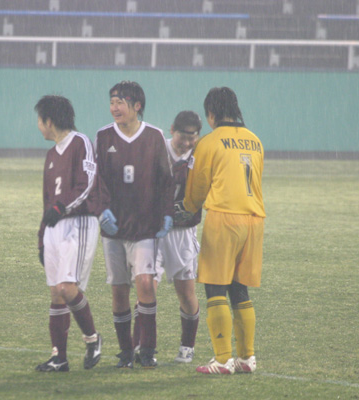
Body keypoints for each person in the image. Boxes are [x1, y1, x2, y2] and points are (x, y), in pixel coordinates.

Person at [181, 87, 265, 374]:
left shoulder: (209, 142)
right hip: (254, 219)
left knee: (215, 288)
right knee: (239, 288)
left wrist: (188, 207)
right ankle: (247, 358)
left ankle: (222, 359)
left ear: (211, 113)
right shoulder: (255, 140)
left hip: (224, 219)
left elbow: (197, 188)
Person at [34, 95, 117, 372]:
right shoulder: (51, 155)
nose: (38, 125)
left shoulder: (80, 142)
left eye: (40, 120)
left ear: (49, 121)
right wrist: (42, 238)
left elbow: (87, 183)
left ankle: (92, 339)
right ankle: (59, 358)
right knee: (56, 294)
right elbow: (47, 202)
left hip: (78, 223)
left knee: (67, 289)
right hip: (55, 228)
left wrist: (61, 207)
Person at [95, 81, 175, 369]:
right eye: (112, 102)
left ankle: (147, 350)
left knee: (144, 284)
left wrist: (167, 214)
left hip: (144, 227)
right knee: (119, 290)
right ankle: (126, 351)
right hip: (113, 229)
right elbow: (97, 179)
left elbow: (166, 181)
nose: (114, 107)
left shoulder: (154, 136)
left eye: (120, 102)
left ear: (137, 105)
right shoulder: (103, 136)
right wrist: (102, 210)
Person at [132, 111, 202, 363]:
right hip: (153, 231)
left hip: (182, 233)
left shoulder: (201, 155)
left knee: (186, 294)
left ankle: (187, 345)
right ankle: (140, 345)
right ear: (172, 130)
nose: (186, 142)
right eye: (183, 136)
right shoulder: (157, 149)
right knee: (146, 287)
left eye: (192, 137)